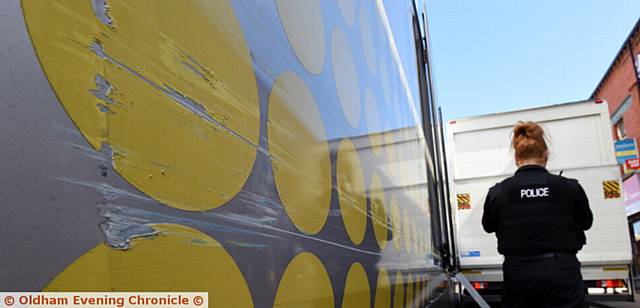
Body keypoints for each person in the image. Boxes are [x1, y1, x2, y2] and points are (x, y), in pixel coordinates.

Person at [482, 121, 593, 308]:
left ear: (517, 158)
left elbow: (488, 226)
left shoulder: (498, 192)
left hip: (518, 276)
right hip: (563, 273)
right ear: (545, 154)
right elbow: (586, 222)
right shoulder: (570, 187)